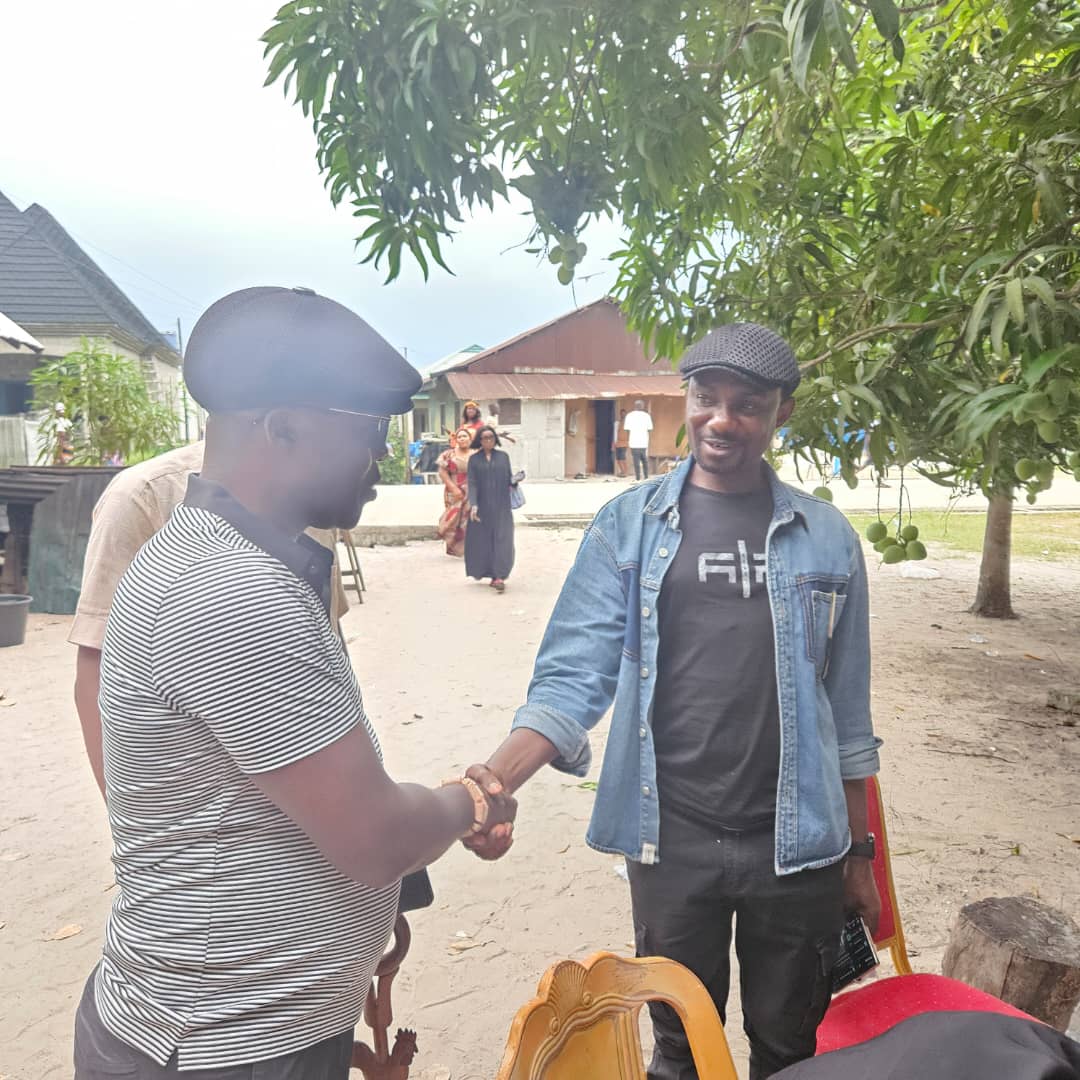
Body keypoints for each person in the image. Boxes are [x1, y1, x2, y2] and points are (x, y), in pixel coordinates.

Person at [73, 286, 515, 1080]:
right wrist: (470, 801)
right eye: (367, 433)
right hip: (220, 1048)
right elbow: (375, 838)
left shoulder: (220, 555)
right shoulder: (230, 590)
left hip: (239, 1029)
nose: (380, 458)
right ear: (281, 428)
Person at [463, 323, 882, 1080]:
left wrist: (860, 857)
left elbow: (848, 718)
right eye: (706, 398)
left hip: (796, 844)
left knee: (791, 1046)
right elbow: (571, 677)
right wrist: (491, 782)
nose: (722, 420)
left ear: (781, 412)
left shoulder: (827, 538)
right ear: (686, 399)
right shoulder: (628, 526)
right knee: (682, 1049)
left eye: (747, 404)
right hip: (671, 841)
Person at [69, 440, 350, 799]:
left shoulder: (312, 492)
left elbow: (329, 634)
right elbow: (97, 666)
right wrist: (126, 813)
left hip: (310, 772)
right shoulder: (144, 495)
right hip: (202, 794)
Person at [465, 425, 514, 592]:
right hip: (482, 507)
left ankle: (499, 576)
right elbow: (472, 483)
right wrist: (474, 505)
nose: (488, 441)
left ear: (495, 439)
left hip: (502, 506)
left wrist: (515, 480)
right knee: (484, 541)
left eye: (491, 437)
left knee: (502, 539)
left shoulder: (503, 457)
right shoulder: (474, 460)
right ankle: (488, 573)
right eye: (485, 438)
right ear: (479, 440)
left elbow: (509, 479)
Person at [436, 428, 474, 557]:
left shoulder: (477, 454)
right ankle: (454, 547)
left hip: (473, 491)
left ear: (470, 438)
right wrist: (453, 488)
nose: (462, 439)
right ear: (456, 440)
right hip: (454, 492)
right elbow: (442, 472)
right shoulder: (448, 455)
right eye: (459, 437)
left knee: (469, 519)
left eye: (465, 436)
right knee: (454, 519)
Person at [624, 399, 653, 480]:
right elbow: (650, 429)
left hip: (634, 442)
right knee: (644, 460)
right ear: (642, 406)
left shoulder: (629, 415)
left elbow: (627, 430)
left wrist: (631, 437)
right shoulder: (646, 416)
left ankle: (638, 478)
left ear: (635, 406)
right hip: (643, 442)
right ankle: (646, 477)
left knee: (636, 461)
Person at [613, 408, 630, 477]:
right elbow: (615, 433)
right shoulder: (617, 423)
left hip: (624, 443)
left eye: (624, 414)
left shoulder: (628, 423)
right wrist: (614, 443)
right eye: (622, 414)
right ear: (620, 414)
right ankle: (622, 471)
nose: (623, 415)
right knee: (618, 459)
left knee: (623, 458)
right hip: (618, 443)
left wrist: (629, 442)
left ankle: (626, 472)